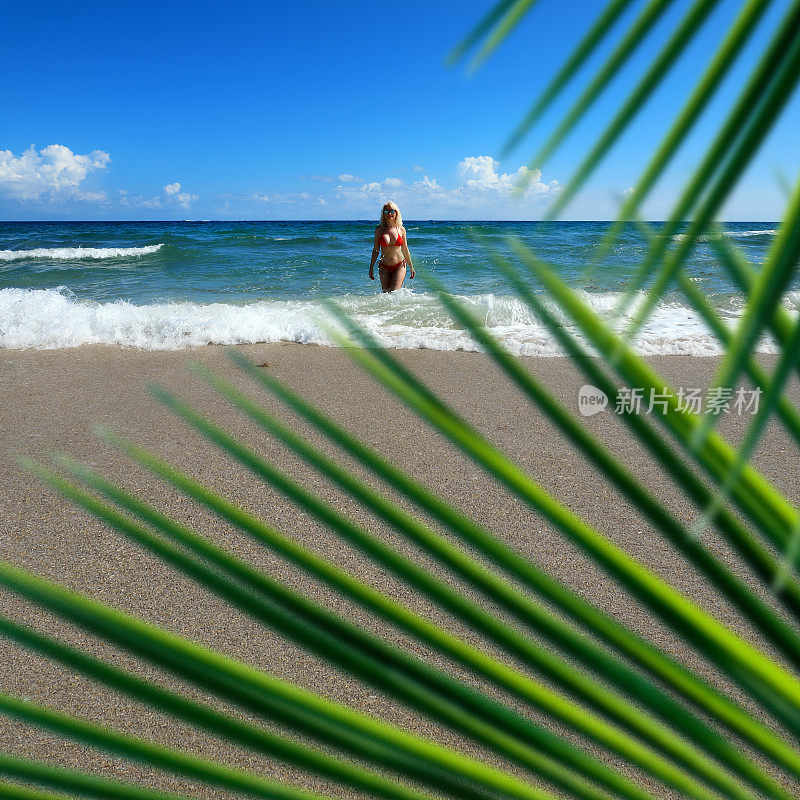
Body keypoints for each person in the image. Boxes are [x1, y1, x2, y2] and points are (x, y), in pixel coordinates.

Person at [369, 201, 415, 292]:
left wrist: (411, 267)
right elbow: (376, 250)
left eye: (392, 211)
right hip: (383, 266)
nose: (389, 213)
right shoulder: (379, 230)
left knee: (394, 293)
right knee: (386, 295)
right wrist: (371, 268)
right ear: (383, 214)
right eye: (386, 211)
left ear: (396, 213)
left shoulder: (401, 229)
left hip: (399, 265)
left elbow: (405, 249)